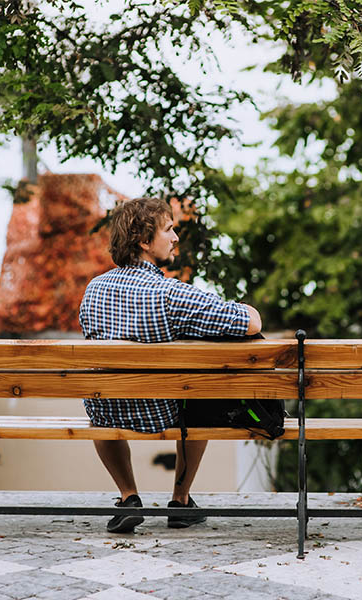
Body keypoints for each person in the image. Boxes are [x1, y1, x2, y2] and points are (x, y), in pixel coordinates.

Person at [78, 197, 262, 534]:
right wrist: (248, 308)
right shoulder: (171, 293)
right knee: (200, 395)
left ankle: (129, 496)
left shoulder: (93, 290)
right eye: (169, 229)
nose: (176, 237)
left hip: (108, 412)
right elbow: (249, 323)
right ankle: (180, 501)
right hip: (160, 412)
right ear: (144, 242)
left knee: (97, 398)